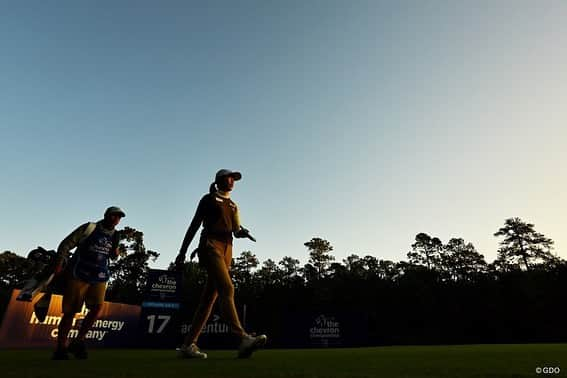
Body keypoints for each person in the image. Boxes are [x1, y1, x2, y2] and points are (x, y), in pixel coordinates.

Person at [175, 169, 267, 359]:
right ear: (218, 181)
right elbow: (194, 225)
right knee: (228, 289)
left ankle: (188, 345)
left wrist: (243, 232)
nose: (232, 181)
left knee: (208, 299)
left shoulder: (233, 205)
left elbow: (235, 230)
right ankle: (242, 338)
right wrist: (182, 252)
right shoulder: (208, 199)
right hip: (210, 245)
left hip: (228, 250)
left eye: (234, 178)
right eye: (228, 177)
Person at [51, 206, 125, 360]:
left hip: (100, 275)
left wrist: (116, 253)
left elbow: (113, 256)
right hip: (79, 273)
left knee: (97, 307)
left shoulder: (116, 235)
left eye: (119, 217)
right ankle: (61, 347)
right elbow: (66, 244)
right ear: (106, 215)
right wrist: (59, 263)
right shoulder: (89, 228)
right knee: (71, 311)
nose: (116, 219)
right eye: (113, 215)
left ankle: (78, 341)